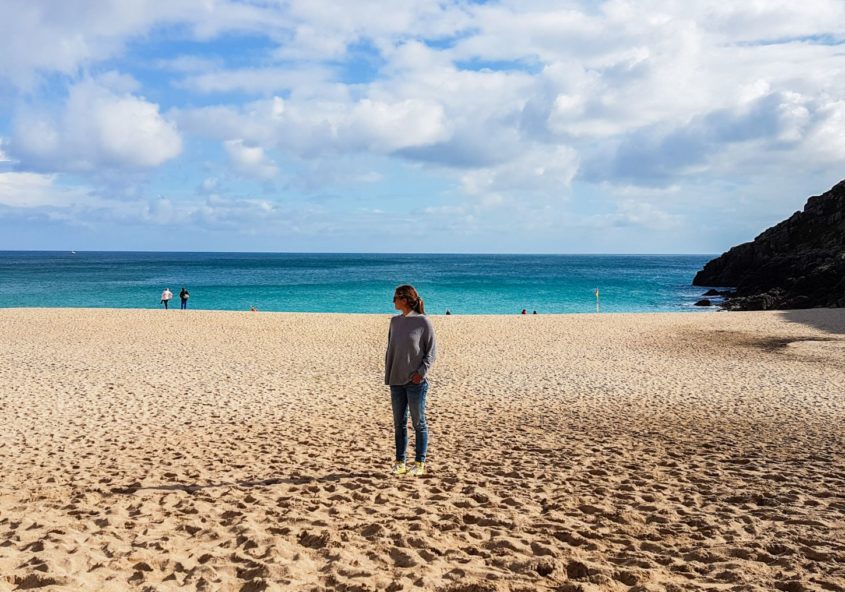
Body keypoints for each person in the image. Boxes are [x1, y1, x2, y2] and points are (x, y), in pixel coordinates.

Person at [385, 285, 436, 477]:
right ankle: (400, 462)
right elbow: (390, 349)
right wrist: (389, 374)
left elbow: (431, 353)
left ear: (405, 299)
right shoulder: (394, 322)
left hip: (416, 383)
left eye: (396, 297)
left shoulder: (423, 322)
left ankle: (420, 463)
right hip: (396, 381)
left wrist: (420, 373)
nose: (393, 301)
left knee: (418, 423)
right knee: (399, 424)